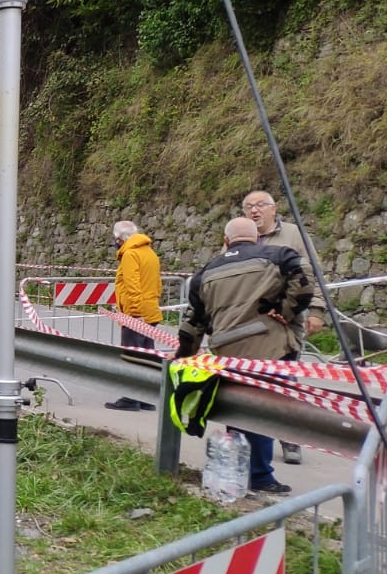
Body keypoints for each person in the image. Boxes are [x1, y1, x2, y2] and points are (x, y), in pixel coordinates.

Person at [176, 216, 314, 495]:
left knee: (239, 413)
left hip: (227, 352)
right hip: (271, 348)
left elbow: (193, 324)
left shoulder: (206, 273)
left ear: (226, 242)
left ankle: (239, 470)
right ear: (258, 238)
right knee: (264, 412)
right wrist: (285, 311)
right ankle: (260, 476)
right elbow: (305, 284)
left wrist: (184, 356)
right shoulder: (279, 255)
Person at [243, 189, 322, 463]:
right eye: (249, 206)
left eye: (260, 205)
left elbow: (312, 271)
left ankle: (290, 438)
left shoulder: (293, 234)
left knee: (285, 379)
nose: (254, 210)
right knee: (250, 381)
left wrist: (317, 310)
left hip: (286, 322)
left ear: (274, 209)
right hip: (249, 323)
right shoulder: (241, 235)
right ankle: (251, 436)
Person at [105, 219, 163, 411]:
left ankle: (131, 398)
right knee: (147, 354)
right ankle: (146, 397)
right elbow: (156, 284)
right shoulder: (149, 252)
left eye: (115, 239)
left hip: (135, 313)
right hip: (151, 310)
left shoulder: (130, 254)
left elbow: (132, 285)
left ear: (120, 239)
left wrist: (135, 313)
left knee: (132, 354)